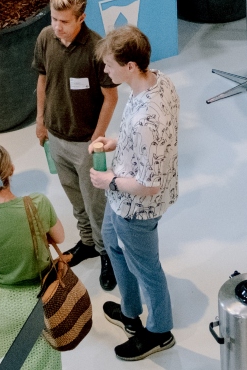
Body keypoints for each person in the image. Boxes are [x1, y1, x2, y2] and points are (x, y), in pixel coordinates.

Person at [89, 24, 179, 360]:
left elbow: (149, 183)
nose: (105, 70)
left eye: (109, 64)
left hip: (137, 205)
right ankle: (130, 312)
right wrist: (115, 142)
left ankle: (159, 331)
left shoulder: (146, 118)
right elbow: (147, 145)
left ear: (129, 66)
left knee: (147, 268)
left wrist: (108, 180)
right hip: (122, 199)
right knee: (111, 241)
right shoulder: (156, 80)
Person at [34, 0, 120, 291]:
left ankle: (106, 251)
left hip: (86, 143)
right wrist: (40, 121)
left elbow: (111, 96)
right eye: (54, 18)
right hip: (56, 138)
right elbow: (42, 80)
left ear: (81, 18)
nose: (57, 26)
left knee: (97, 204)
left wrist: (97, 138)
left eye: (64, 21)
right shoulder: (46, 38)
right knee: (75, 199)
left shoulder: (97, 49)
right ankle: (86, 242)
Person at [0, 145, 67, 370]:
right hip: (43, 304)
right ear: (11, 169)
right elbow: (59, 236)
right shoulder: (38, 203)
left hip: (3, 310)